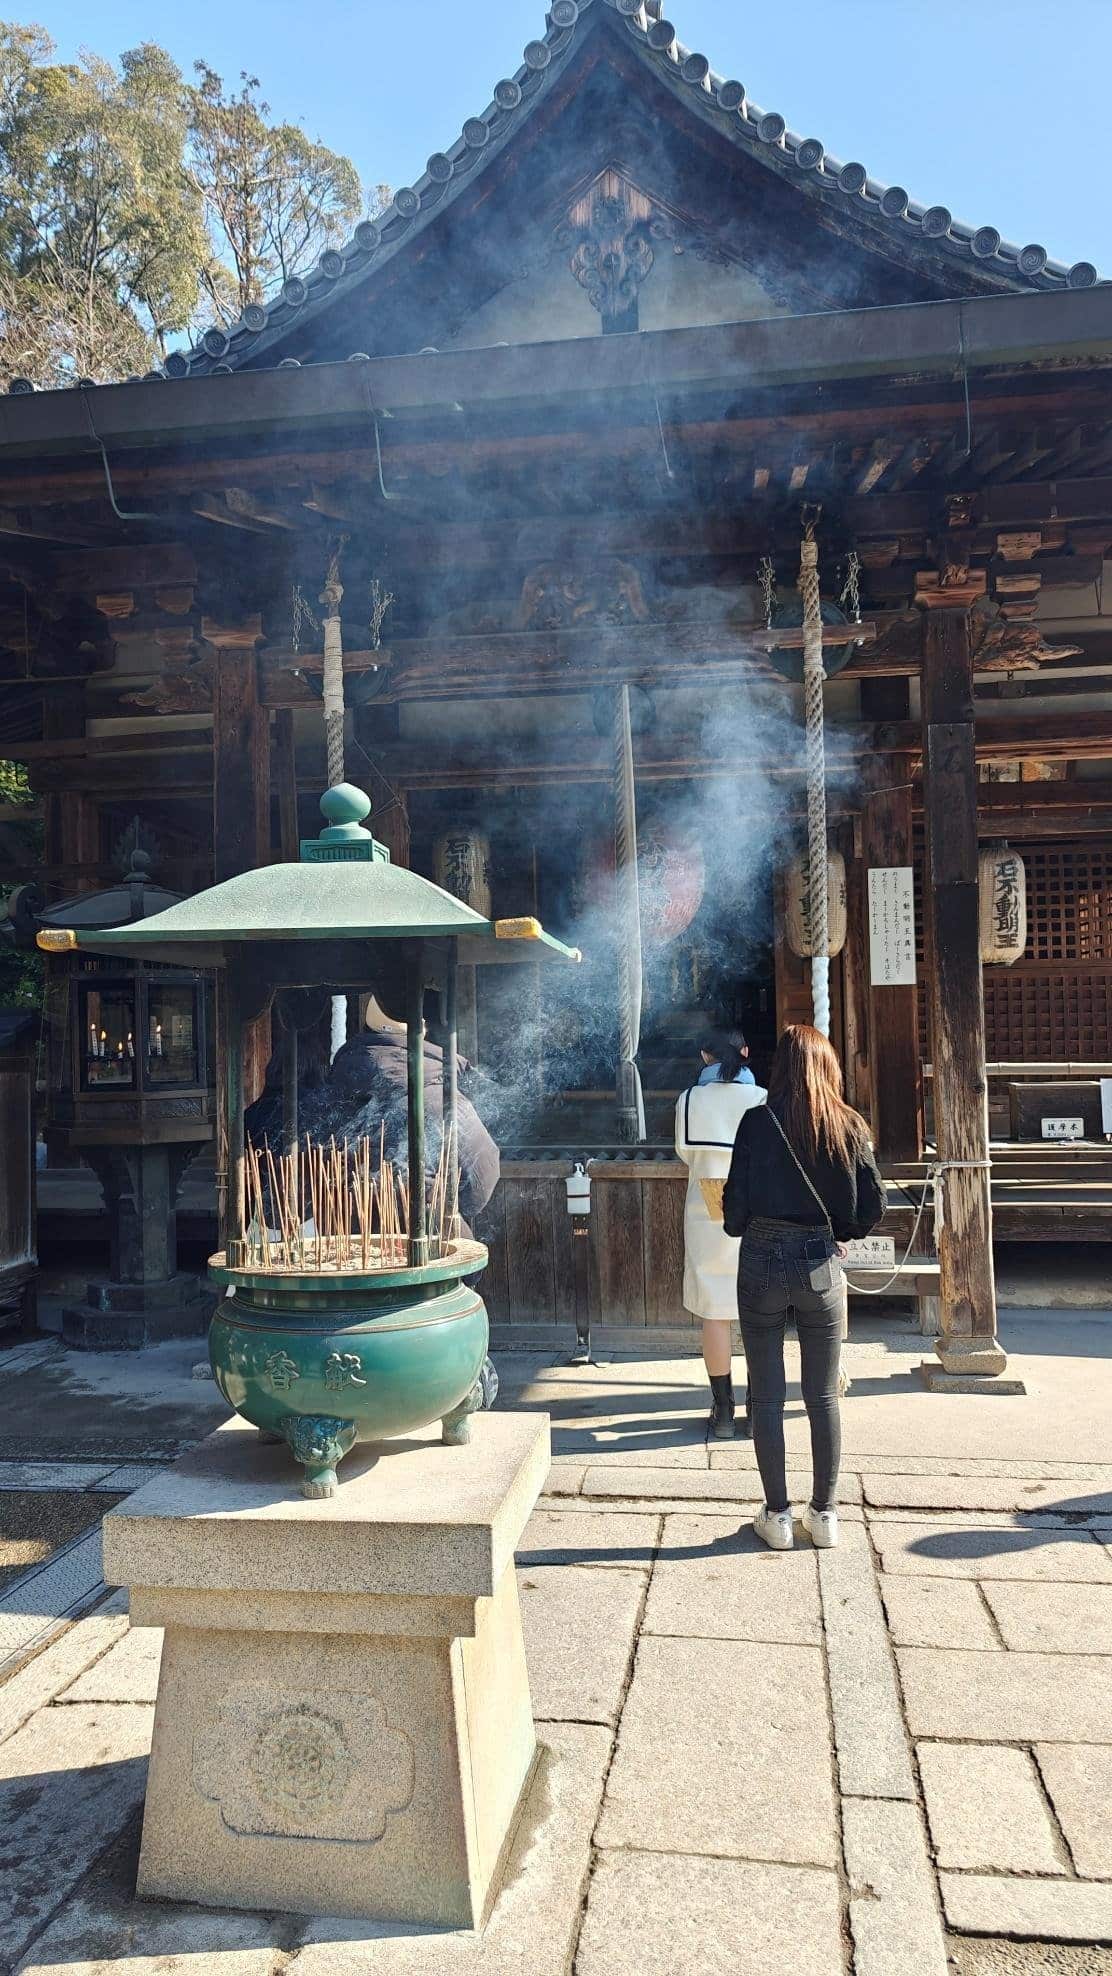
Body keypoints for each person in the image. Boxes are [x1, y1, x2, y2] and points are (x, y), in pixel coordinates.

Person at [722, 1023, 885, 1551]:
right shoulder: (849, 1126)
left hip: (762, 1259)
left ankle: (777, 1516)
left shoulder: (755, 1123)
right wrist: (838, 1232)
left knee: (766, 1395)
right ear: (828, 1066)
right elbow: (870, 1209)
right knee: (822, 1395)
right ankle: (827, 1513)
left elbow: (733, 1211)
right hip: (819, 1262)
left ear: (780, 1069)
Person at [328, 997, 500, 1231]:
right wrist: (448, 1204)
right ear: (421, 1030)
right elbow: (482, 1176)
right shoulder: (444, 1097)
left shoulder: (333, 1088)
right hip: (432, 1234)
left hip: (348, 1236)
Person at [675, 1028, 767, 1440]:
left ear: (703, 1056)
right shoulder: (762, 1098)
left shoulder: (690, 1100)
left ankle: (724, 1411)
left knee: (715, 1313)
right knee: (757, 1314)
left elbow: (685, 1152)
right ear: (746, 1052)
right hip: (757, 1211)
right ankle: (759, 1410)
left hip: (706, 1211)